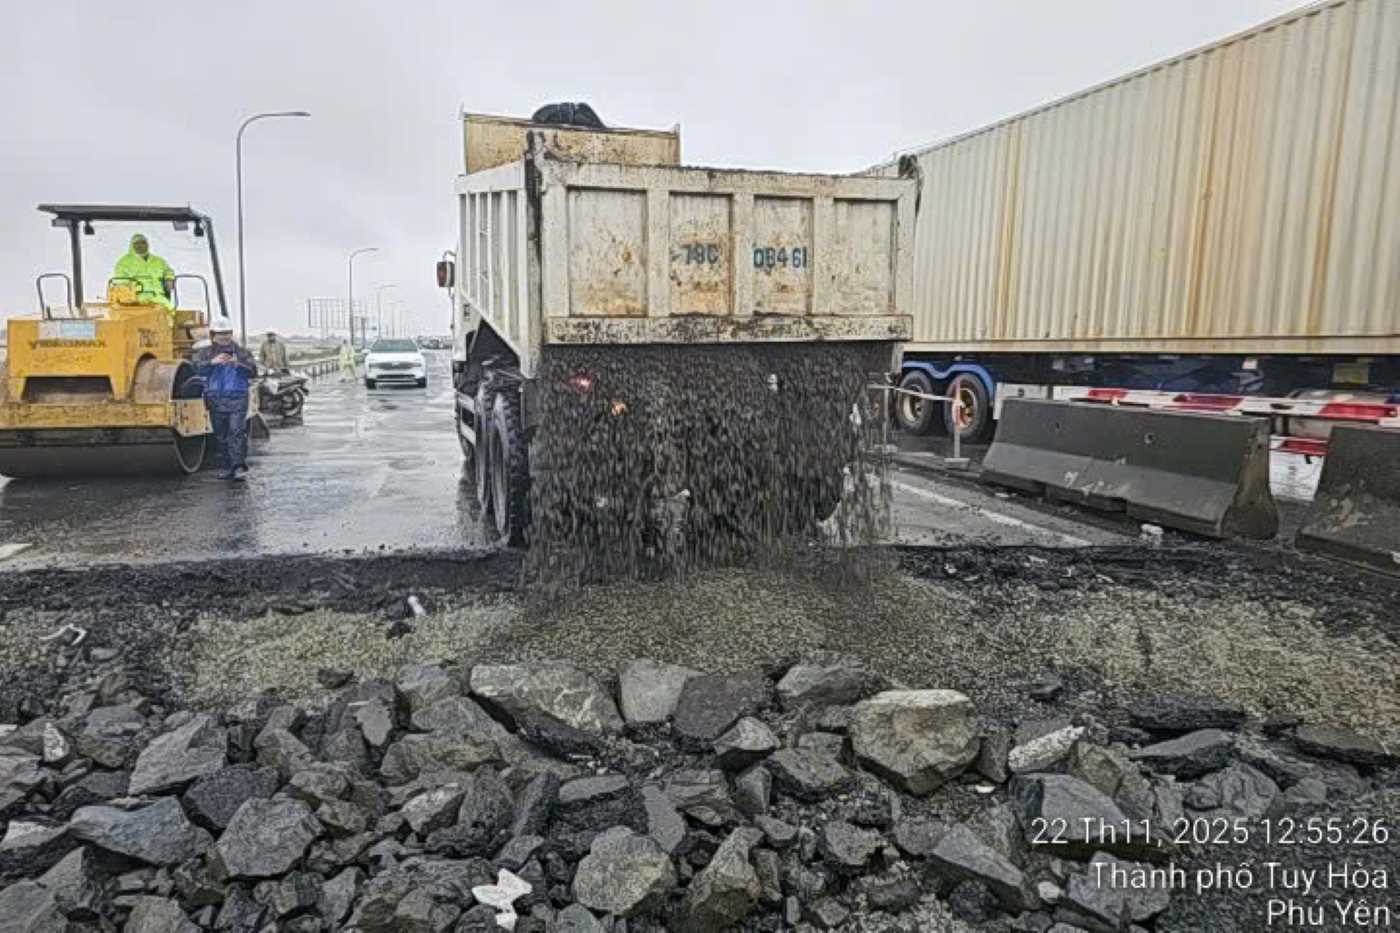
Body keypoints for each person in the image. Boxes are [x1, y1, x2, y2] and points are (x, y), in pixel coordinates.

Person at [193, 317, 257, 481]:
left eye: (227, 333)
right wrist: (212, 363)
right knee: (221, 435)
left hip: (238, 397)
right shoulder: (205, 353)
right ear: (213, 335)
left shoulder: (242, 353)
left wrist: (238, 364)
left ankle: (238, 466)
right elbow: (196, 370)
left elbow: (253, 372)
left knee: (236, 431)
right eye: (221, 334)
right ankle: (229, 466)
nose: (224, 337)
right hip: (215, 398)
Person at [112, 233, 175, 311]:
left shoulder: (158, 261)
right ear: (132, 246)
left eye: (143, 243)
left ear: (147, 244)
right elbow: (121, 281)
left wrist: (169, 279)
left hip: (158, 296)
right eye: (137, 243)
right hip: (137, 298)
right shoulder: (124, 263)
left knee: (169, 310)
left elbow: (168, 270)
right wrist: (130, 295)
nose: (140, 245)